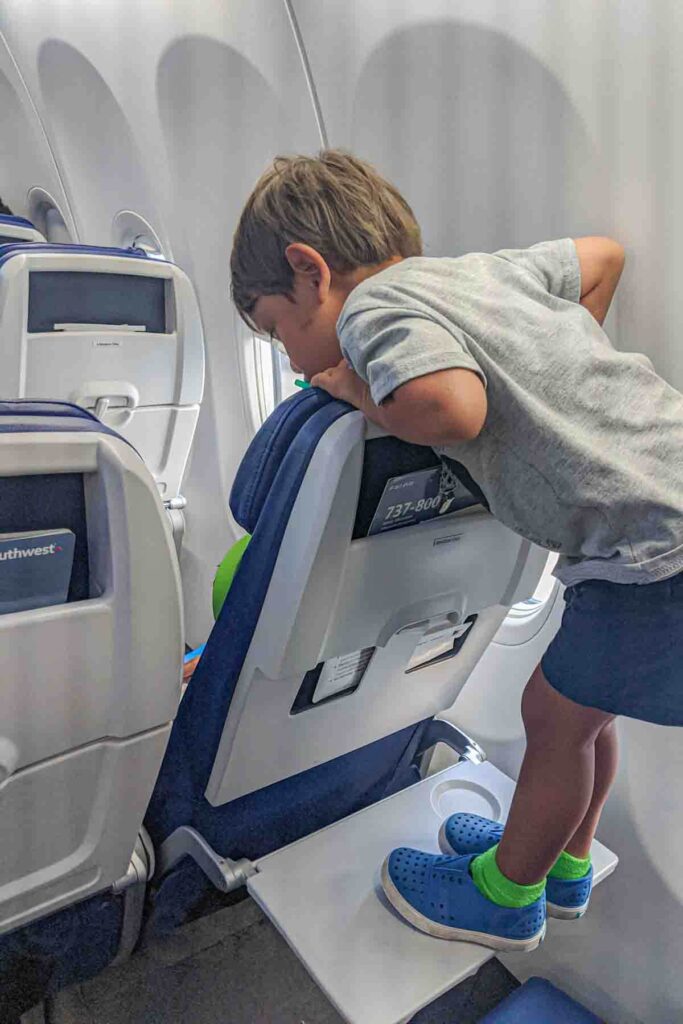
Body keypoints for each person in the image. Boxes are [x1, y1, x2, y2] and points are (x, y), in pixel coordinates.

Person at [229, 149, 683, 952]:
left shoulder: (372, 311)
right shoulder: (485, 274)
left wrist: (355, 390)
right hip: (656, 516)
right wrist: (555, 392)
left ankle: (506, 896)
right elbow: (601, 258)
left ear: (310, 272)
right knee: (579, 713)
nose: (290, 357)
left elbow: (452, 409)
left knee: (548, 717)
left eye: (274, 328)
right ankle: (562, 860)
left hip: (652, 548)